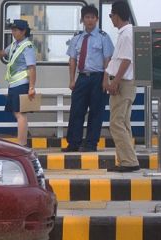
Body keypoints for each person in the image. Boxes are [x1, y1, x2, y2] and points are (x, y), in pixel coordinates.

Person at [65, 4, 114, 152]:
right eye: (87, 17)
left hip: (98, 78)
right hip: (82, 78)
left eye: (93, 17)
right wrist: (72, 79)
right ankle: (73, 143)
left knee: (96, 112)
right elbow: (72, 59)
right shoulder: (77, 38)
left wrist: (106, 80)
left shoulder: (104, 37)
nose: (90, 20)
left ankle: (91, 144)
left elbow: (108, 59)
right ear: (82, 19)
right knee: (76, 110)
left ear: (97, 19)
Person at [0, 19, 36, 147]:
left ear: (23, 32)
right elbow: (3, 53)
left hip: (22, 84)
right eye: (12, 29)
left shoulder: (27, 46)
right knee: (17, 113)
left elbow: (32, 67)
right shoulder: (14, 45)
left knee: (20, 114)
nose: (13, 32)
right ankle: (22, 143)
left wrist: (32, 87)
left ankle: (22, 144)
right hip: (14, 84)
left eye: (16, 30)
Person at [104, 1, 140, 172]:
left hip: (122, 83)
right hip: (124, 82)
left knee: (116, 123)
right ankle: (126, 160)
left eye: (111, 16)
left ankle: (129, 162)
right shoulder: (126, 33)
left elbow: (126, 60)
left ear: (117, 15)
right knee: (124, 123)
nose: (111, 19)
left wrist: (115, 82)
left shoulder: (126, 35)